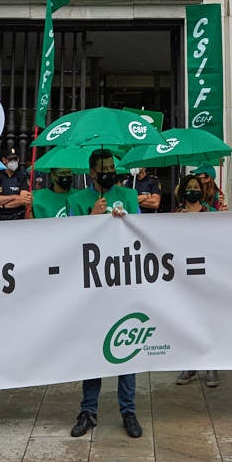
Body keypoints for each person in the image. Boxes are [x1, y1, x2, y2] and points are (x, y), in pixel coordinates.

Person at [71, 151, 143, 437]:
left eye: (112, 167)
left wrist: (123, 221)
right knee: (92, 349)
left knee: (126, 349)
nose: (109, 172)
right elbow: (69, 242)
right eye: (104, 168)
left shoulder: (128, 195)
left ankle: (129, 411)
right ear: (91, 171)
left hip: (123, 283)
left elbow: (142, 232)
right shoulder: (76, 199)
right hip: (92, 286)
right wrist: (92, 218)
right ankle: (88, 411)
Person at [172, 170, 222, 389]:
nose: (193, 190)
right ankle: (190, 364)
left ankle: (211, 364)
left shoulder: (211, 212)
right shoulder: (176, 213)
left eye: (196, 187)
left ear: (202, 191)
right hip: (184, 275)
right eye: (189, 187)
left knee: (208, 318)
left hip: (207, 273)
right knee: (187, 318)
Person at [0, 153, 33, 221]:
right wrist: (15, 197)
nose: (13, 161)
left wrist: (3, 205)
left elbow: (24, 200)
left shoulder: (22, 177)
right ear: (4, 160)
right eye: (10, 159)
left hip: (17, 217)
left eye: (15, 159)